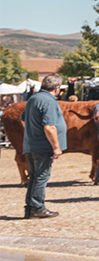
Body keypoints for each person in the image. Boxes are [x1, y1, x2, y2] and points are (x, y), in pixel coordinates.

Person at [22, 73, 67, 218]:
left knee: (34, 177)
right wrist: (56, 147)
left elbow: (23, 119)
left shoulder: (33, 98)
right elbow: (49, 127)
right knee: (41, 177)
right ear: (57, 87)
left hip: (31, 144)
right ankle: (37, 208)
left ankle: (30, 207)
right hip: (42, 146)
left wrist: (33, 133)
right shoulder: (48, 101)